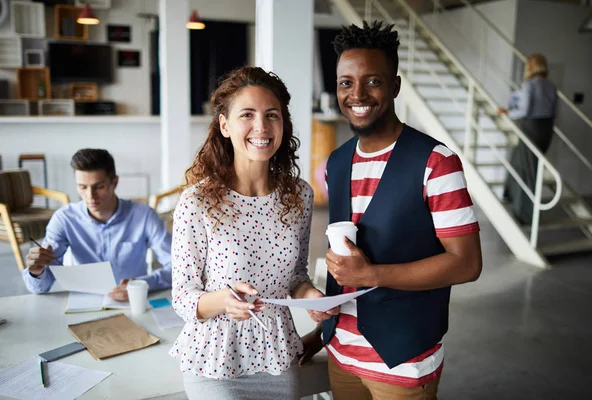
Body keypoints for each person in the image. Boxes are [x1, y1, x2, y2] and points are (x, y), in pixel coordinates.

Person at [301, 21, 483, 400]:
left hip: (403, 363)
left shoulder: (437, 162)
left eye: (373, 81)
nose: (357, 94)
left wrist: (372, 274)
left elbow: (467, 264)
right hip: (342, 355)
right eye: (345, 83)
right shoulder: (336, 163)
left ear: (395, 86)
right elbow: (346, 260)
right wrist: (323, 333)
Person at [169, 66, 335, 400]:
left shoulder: (300, 195)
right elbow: (183, 296)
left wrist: (311, 296)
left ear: (283, 124)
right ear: (225, 125)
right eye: (247, 114)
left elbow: (295, 278)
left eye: (271, 115)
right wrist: (224, 301)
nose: (261, 127)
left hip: (277, 357)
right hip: (214, 361)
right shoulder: (197, 201)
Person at [23, 149, 172, 301]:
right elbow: (40, 288)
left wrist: (143, 284)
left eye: (99, 187)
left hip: (132, 303)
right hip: (82, 304)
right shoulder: (64, 219)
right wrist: (36, 271)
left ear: (114, 182)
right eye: (82, 187)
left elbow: (178, 268)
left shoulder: (144, 215)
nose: (90, 196)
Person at [499, 53, 558, 224]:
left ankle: (525, 215)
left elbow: (524, 111)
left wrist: (507, 113)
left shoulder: (529, 85)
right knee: (520, 160)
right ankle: (509, 194)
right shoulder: (551, 86)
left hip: (532, 128)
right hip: (546, 129)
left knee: (528, 172)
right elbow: (554, 112)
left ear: (530, 67)